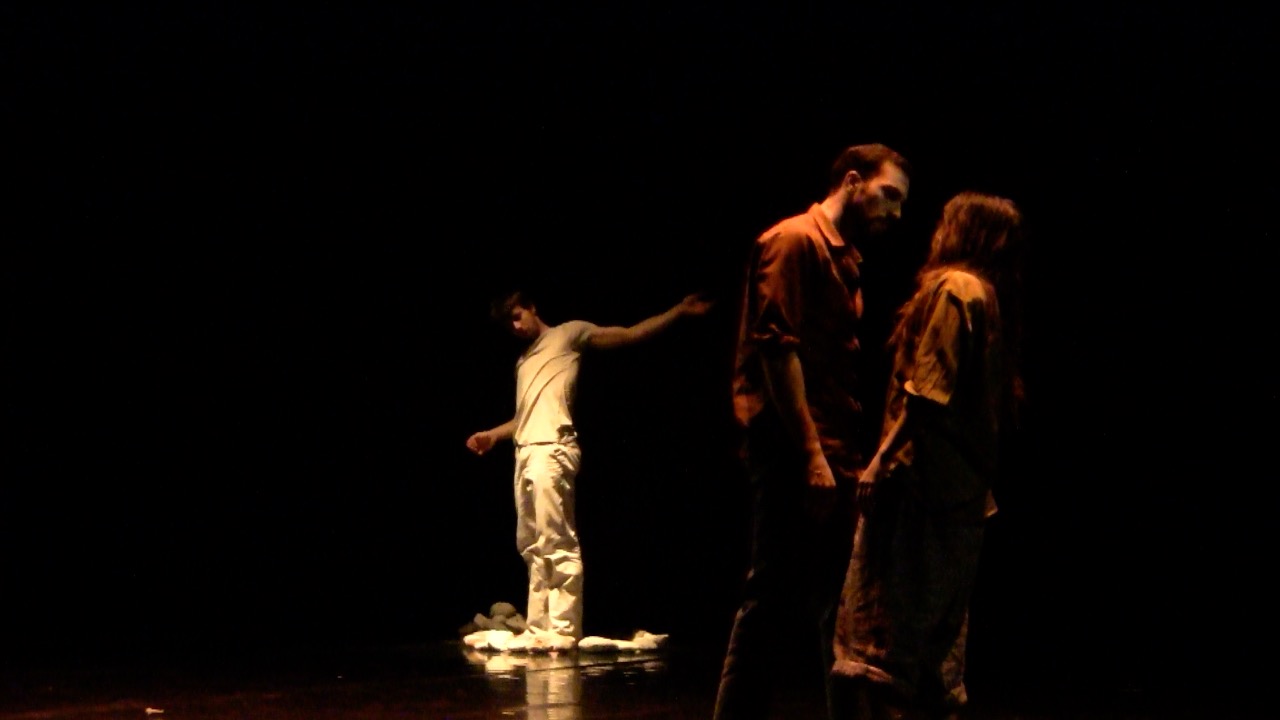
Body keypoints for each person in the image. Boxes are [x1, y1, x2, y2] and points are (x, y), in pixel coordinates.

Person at [714, 143, 912, 720]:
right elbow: (777, 350)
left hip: (830, 448)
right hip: (793, 449)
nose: (896, 212)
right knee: (771, 595)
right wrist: (810, 454)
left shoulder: (843, 256)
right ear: (852, 181)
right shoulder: (794, 240)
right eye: (888, 195)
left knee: (838, 601)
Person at [830, 192, 1026, 720]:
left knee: (890, 638)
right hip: (963, 491)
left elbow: (928, 392)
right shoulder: (987, 295)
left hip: (921, 487)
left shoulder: (955, 288)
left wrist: (880, 460)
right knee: (939, 643)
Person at [466, 288, 713, 651]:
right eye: (509, 324)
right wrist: (493, 435)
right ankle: (539, 626)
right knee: (531, 545)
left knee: (556, 539)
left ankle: (563, 628)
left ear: (532, 307)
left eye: (517, 316)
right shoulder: (523, 362)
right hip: (525, 453)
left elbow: (628, 334)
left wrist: (677, 311)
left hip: (553, 448)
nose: (515, 327)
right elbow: (522, 418)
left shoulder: (568, 334)